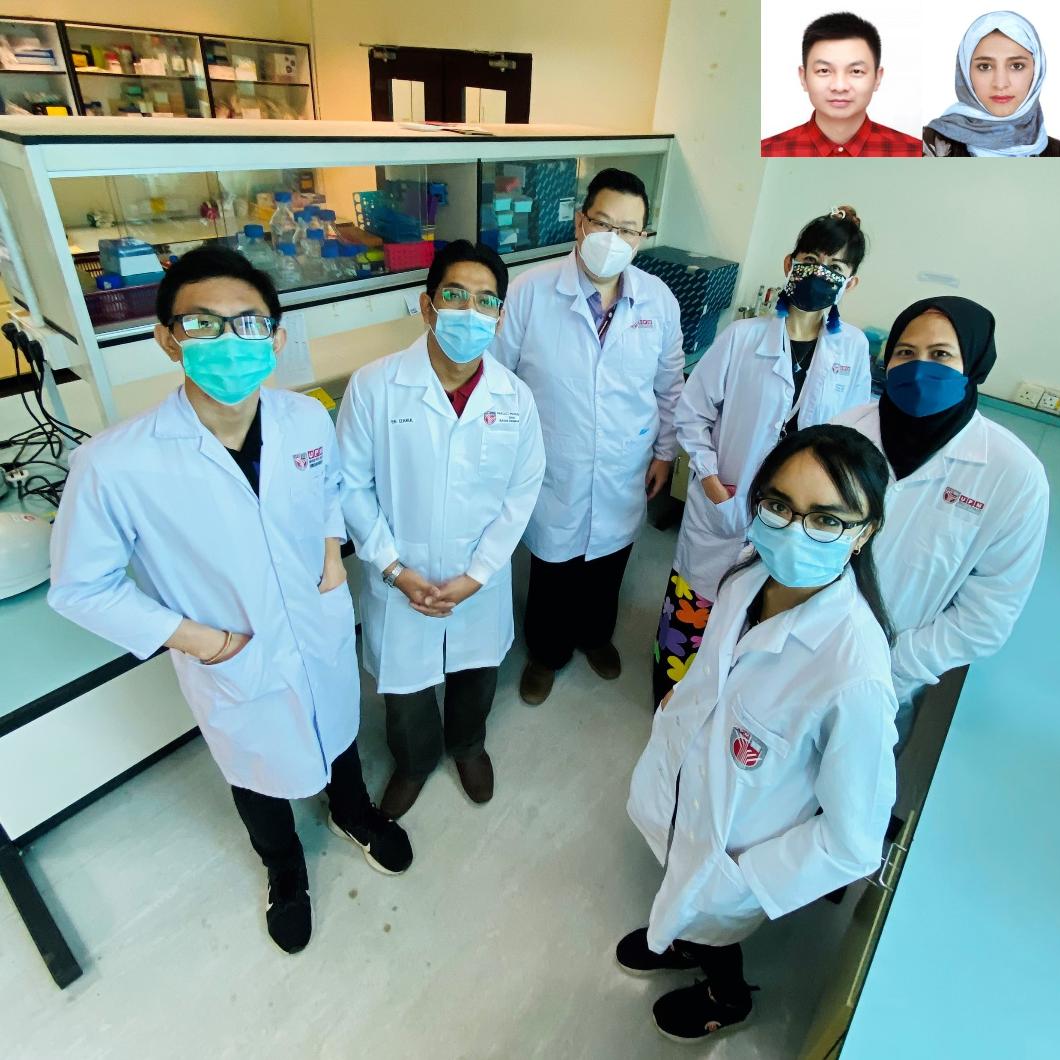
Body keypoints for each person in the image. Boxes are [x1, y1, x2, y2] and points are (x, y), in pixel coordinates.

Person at [47, 245, 411, 955]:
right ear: (167, 338)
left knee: (338, 725)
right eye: (203, 325)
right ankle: (284, 869)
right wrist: (200, 641)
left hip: (317, 622)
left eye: (248, 324)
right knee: (254, 767)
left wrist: (331, 552)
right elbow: (80, 587)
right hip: (230, 653)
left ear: (276, 337)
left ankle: (354, 813)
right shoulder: (116, 462)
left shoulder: (305, 417)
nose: (230, 342)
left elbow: (330, 488)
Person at [619, 425, 899, 1044]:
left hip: (739, 851)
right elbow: (720, 665)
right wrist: (681, 700)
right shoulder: (749, 576)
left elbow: (854, 841)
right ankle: (680, 936)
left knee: (715, 927)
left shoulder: (853, 672)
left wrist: (747, 879)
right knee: (681, 884)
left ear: (864, 533)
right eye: (779, 506)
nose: (794, 531)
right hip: (688, 790)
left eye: (826, 519)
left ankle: (726, 994)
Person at [336, 241, 545, 819]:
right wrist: (393, 568)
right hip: (399, 577)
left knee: (477, 675)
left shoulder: (515, 399)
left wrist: (479, 574)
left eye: (486, 301)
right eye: (455, 295)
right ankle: (414, 761)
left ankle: (468, 745)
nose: (470, 312)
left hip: (478, 581)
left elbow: (522, 492)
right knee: (404, 690)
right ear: (427, 306)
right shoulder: (375, 386)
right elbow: (350, 485)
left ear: (500, 316)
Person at [654, 206, 870, 707]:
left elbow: (851, 432)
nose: (820, 274)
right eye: (811, 261)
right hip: (727, 501)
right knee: (694, 611)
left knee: (762, 623)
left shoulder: (853, 349)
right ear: (790, 263)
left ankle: (725, 712)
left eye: (835, 268)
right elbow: (691, 412)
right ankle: (668, 700)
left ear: (851, 283)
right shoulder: (742, 337)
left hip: (796, 516)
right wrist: (710, 479)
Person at [489, 168, 684, 706]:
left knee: (609, 563)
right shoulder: (530, 292)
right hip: (554, 465)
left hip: (627, 463)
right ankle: (546, 654)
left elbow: (670, 387)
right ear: (580, 223)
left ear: (642, 237)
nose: (613, 239)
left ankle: (595, 636)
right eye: (603, 223)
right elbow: (497, 383)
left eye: (628, 230)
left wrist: (665, 454)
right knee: (553, 568)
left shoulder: (658, 301)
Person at [834, 296, 1049, 731]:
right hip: (800, 644)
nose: (920, 369)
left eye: (941, 355)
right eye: (905, 352)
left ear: (974, 365)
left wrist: (890, 664)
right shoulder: (845, 432)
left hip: (889, 680)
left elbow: (988, 613)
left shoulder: (1013, 475)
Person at [761, 12, 922, 158]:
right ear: (803, 78)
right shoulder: (767, 152)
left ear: (877, 78)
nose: (839, 87)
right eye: (824, 70)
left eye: (856, 71)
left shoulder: (914, 152)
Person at [923, 11, 1060, 157]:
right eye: (985, 67)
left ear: (1037, 72)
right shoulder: (928, 144)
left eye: (1016, 66)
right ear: (965, 73)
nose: (1000, 84)